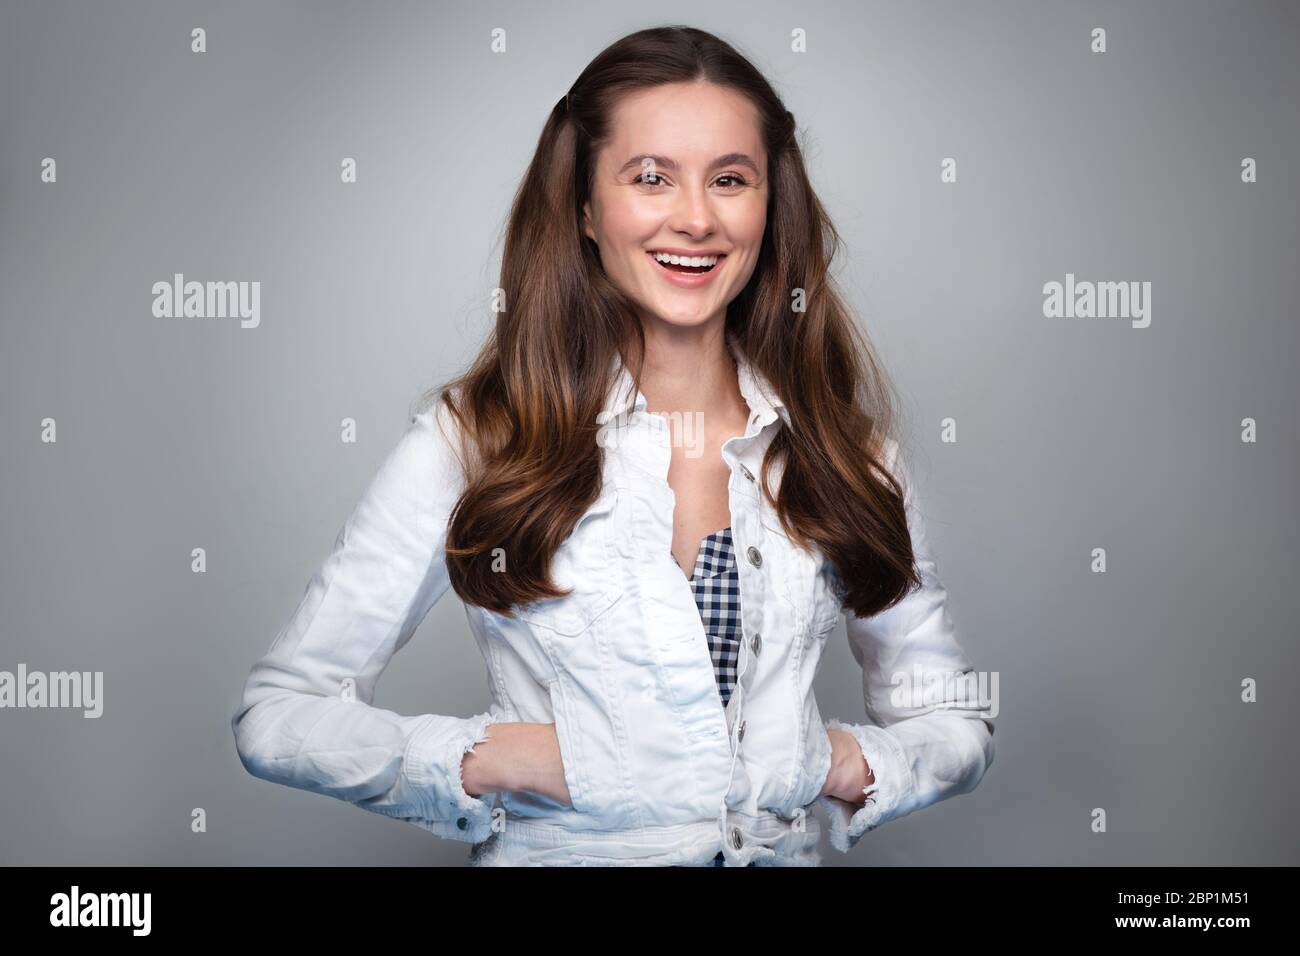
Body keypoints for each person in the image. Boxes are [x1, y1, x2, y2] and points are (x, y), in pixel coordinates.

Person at [231, 24, 995, 867]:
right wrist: (519, 759)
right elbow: (282, 716)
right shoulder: (479, 440)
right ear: (586, 209)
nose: (696, 218)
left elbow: (951, 718)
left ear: (770, 207)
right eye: (651, 177)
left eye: (730, 180)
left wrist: (837, 763)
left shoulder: (847, 452)